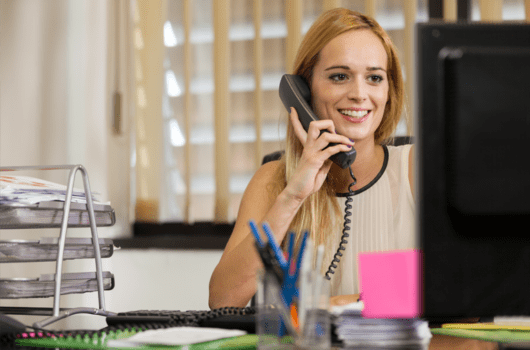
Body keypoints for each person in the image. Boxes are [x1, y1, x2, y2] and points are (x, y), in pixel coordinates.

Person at [208, 8, 415, 309]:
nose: (359, 93)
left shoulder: (414, 168)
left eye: (374, 77)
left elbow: (456, 288)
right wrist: (293, 195)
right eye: (340, 76)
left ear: (388, 91)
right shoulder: (273, 181)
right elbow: (222, 300)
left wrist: (338, 303)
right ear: (303, 91)